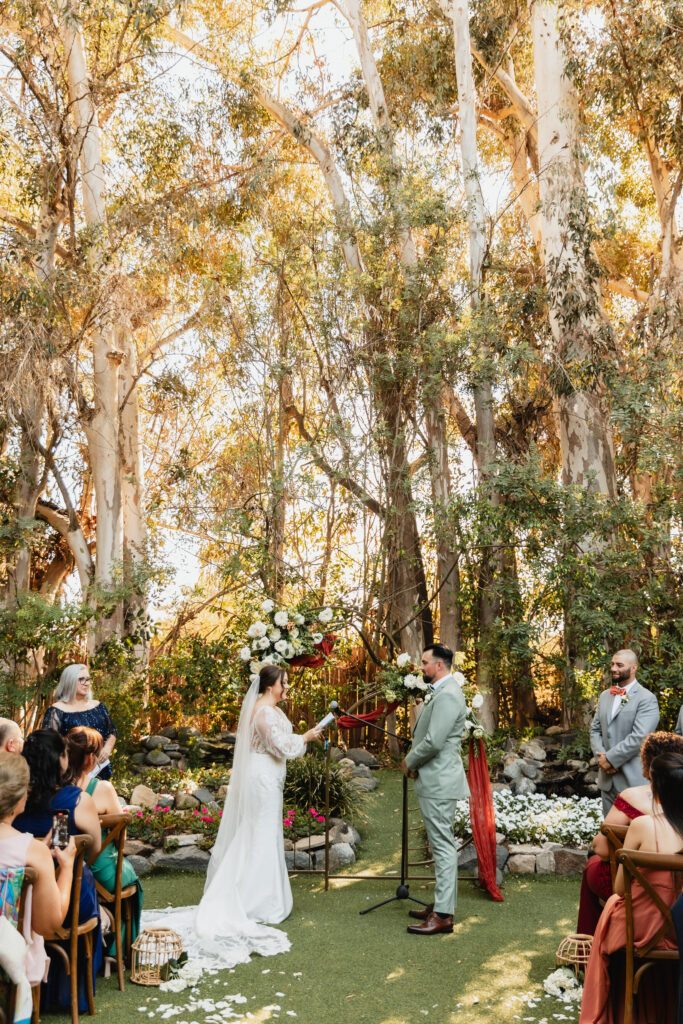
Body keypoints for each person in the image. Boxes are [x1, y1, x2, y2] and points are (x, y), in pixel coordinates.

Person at [142, 665, 323, 969]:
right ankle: (254, 901)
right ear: (269, 686)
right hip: (262, 778)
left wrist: (301, 739)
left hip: (269, 777)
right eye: (284, 683)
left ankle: (261, 894)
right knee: (259, 833)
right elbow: (278, 746)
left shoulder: (270, 709)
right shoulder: (263, 712)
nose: (287, 687)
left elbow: (282, 744)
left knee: (263, 832)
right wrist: (305, 737)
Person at [579, 750, 683, 1024]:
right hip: (680, 929)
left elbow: (619, 887)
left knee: (614, 905)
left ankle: (612, 1008)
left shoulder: (642, 825)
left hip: (641, 930)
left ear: (655, 788)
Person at [12, 730, 103, 1011]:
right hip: (67, 896)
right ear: (60, 760)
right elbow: (95, 847)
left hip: (20, 901)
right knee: (86, 887)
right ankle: (74, 991)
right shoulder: (77, 801)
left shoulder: (16, 803)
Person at [577, 731, 683, 935]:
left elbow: (602, 849)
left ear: (646, 763)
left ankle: (588, 943)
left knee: (593, 865)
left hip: (639, 889)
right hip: (678, 892)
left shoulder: (632, 798)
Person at [402, 643, 469, 936]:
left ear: (439, 665)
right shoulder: (442, 692)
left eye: (425, 662)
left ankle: (443, 916)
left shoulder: (449, 694)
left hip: (439, 781)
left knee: (442, 847)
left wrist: (409, 760)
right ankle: (443, 904)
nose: (422, 667)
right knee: (441, 845)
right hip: (436, 778)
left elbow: (433, 741)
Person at [0, 751, 77, 987]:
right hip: (10, 965)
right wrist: (67, 866)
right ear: (20, 797)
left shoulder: (33, 850)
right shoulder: (33, 852)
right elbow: (48, 924)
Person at [64, 726, 143, 947]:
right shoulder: (103, 788)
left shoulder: (56, 788)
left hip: (68, 869)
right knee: (133, 884)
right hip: (102, 870)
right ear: (90, 758)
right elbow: (121, 840)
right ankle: (118, 952)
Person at [589, 650, 660, 814]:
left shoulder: (646, 698)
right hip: (607, 781)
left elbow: (640, 737)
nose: (614, 668)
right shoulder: (605, 696)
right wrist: (602, 759)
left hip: (633, 781)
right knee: (610, 832)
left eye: (619, 665)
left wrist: (611, 759)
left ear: (633, 668)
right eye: (612, 664)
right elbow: (595, 730)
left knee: (633, 832)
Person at [41, 665, 117, 780]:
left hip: (100, 770)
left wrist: (107, 749)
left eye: (88, 679)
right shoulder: (56, 711)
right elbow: (48, 746)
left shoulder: (98, 706)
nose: (86, 683)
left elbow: (113, 731)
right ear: (69, 682)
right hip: (72, 774)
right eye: (81, 679)